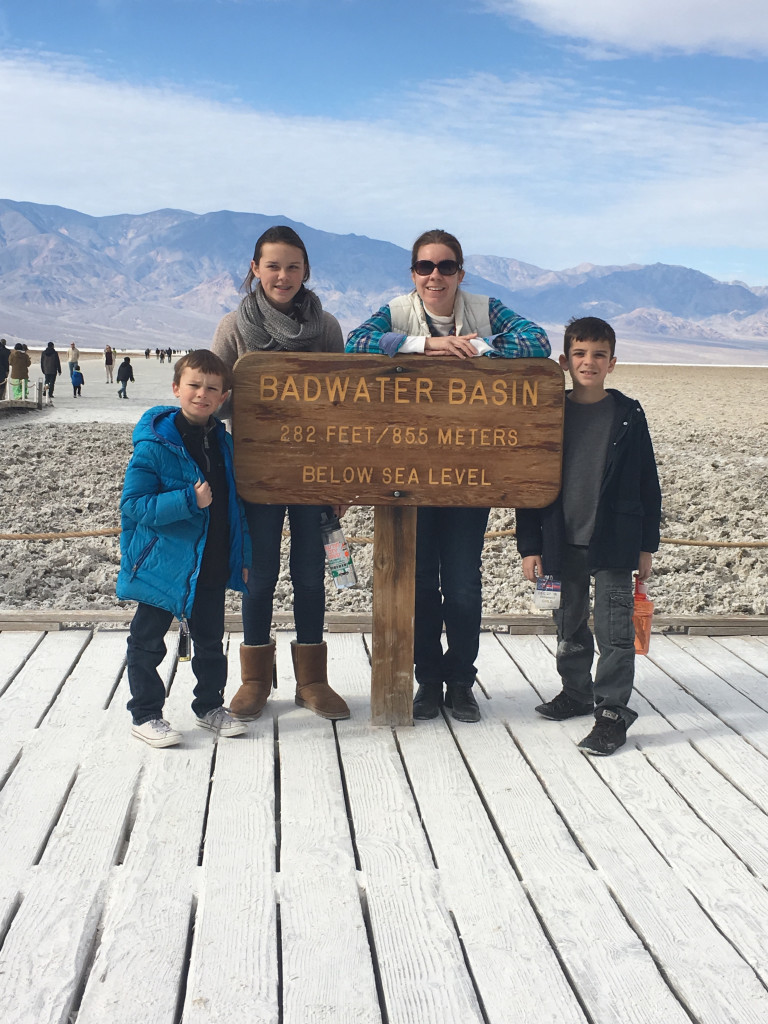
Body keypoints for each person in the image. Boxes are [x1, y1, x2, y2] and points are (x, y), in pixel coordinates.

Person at [346, 228, 551, 723]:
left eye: (445, 267)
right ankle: (428, 681)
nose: (434, 276)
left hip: (469, 474)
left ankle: (461, 680)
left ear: (461, 271)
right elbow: (357, 341)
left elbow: (536, 340)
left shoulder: (485, 307)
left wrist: (477, 347)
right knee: (420, 583)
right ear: (413, 272)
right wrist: (422, 346)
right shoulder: (397, 312)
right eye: (424, 267)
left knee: (461, 583)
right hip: (410, 472)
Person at [212, 224, 350, 722]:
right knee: (259, 572)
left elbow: (341, 407)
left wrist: (341, 479)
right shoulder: (233, 327)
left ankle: (312, 681)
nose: (283, 275)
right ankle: (253, 679)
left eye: (293, 266)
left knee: (312, 572)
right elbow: (216, 404)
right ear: (255, 269)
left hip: (314, 470)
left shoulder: (327, 328)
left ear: (306, 270)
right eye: (272, 265)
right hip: (259, 471)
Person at [516, 316, 661, 756]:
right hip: (560, 541)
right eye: (579, 353)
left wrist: (646, 546)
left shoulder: (628, 416)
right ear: (564, 360)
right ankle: (576, 693)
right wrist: (530, 546)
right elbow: (529, 483)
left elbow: (647, 483)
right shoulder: (549, 411)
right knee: (568, 622)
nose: (589, 362)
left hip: (614, 542)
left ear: (612, 362)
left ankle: (612, 713)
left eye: (599, 354)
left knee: (615, 631)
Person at [117, 350, 252, 747]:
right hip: (162, 563)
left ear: (223, 396)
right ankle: (145, 714)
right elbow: (133, 506)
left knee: (211, 640)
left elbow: (233, 508)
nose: (201, 394)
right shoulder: (154, 445)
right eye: (193, 385)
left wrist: (240, 558)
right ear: (177, 388)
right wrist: (188, 501)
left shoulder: (223, 443)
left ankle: (209, 706)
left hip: (208, 562)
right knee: (147, 640)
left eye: (211, 388)